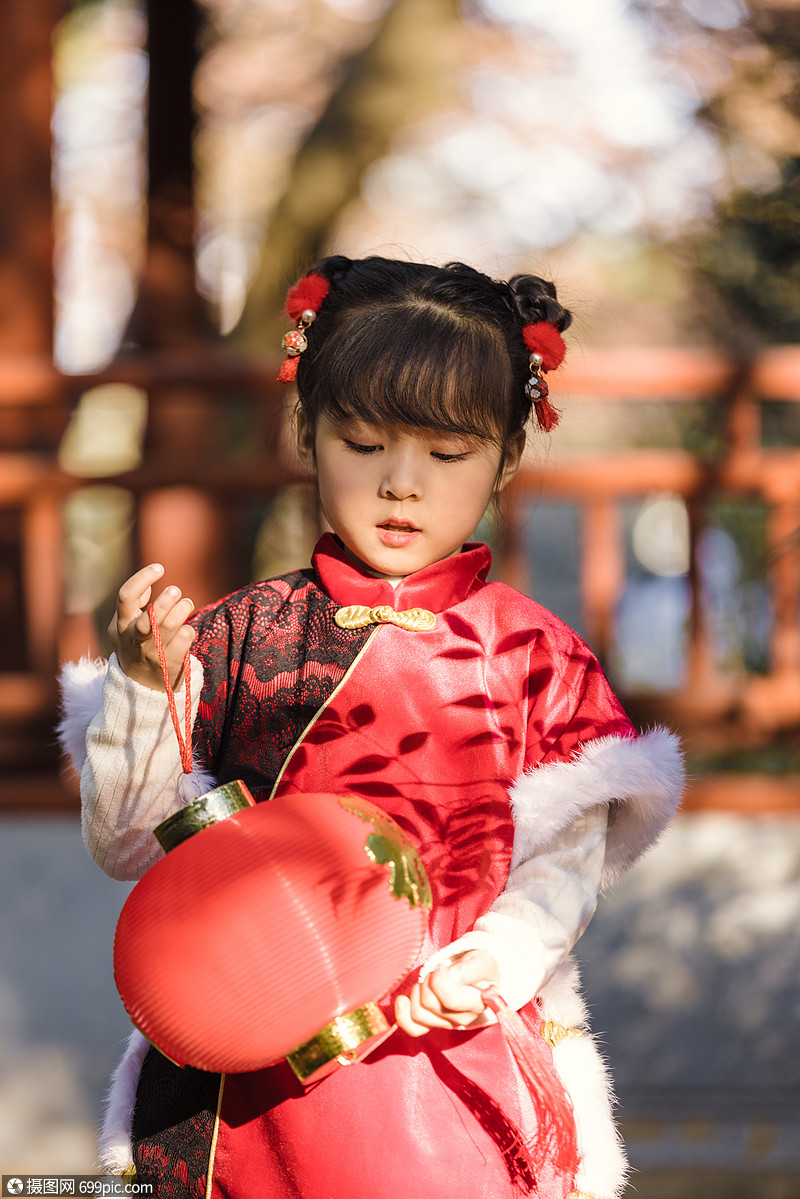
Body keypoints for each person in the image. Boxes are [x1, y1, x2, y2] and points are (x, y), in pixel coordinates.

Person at [59, 255, 684, 1199]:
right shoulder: (238, 634)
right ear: (309, 435)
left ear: (506, 458)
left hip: (449, 1043)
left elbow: (565, 858)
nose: (402, 485)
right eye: (363, 444)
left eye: (446, 455)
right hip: (244, 1062)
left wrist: (496, 959)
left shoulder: (532, 654)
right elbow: (131, 844)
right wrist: (146, 686)